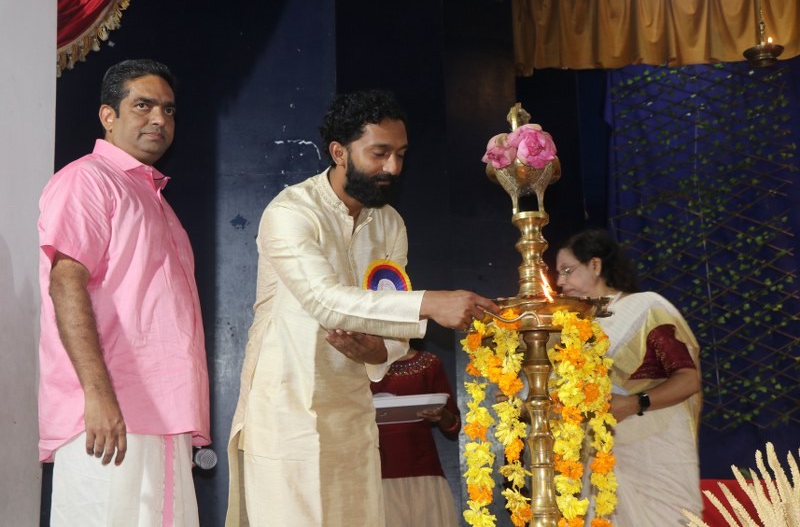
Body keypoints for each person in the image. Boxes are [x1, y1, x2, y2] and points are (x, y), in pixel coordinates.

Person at [225, 89, 499, 526]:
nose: (393, 167)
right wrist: (430, 303)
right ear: (339, 152)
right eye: (379, 153)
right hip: (287, 410)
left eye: (400, 155)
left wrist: (381, 352)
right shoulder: (291, 212)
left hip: (353, 413)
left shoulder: (389, 223)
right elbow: (324, 299)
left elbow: (392, 326)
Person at [38, 59, 210, 526]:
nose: (159, 119)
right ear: (108, 116)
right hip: (109, 417)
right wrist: (97, 395)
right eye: (143, 106)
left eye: (169, 110)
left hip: (164, 417)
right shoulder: (87, 179)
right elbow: (65, 281)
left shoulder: (155, 199)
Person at [555, 228, 702, 526]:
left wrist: (635, 403)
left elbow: (688, 379)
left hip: (656, 452)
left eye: (567, 271)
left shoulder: (645, 307)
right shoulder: (570, 329)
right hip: (600, 455)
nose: (560, 282)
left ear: (595, 265)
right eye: (558, 274)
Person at [369, 342, 461, 527]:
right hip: (373, 473)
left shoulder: (428, 363)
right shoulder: (358, 366)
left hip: (422, 471)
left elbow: (453, 425)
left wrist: (441, 415)